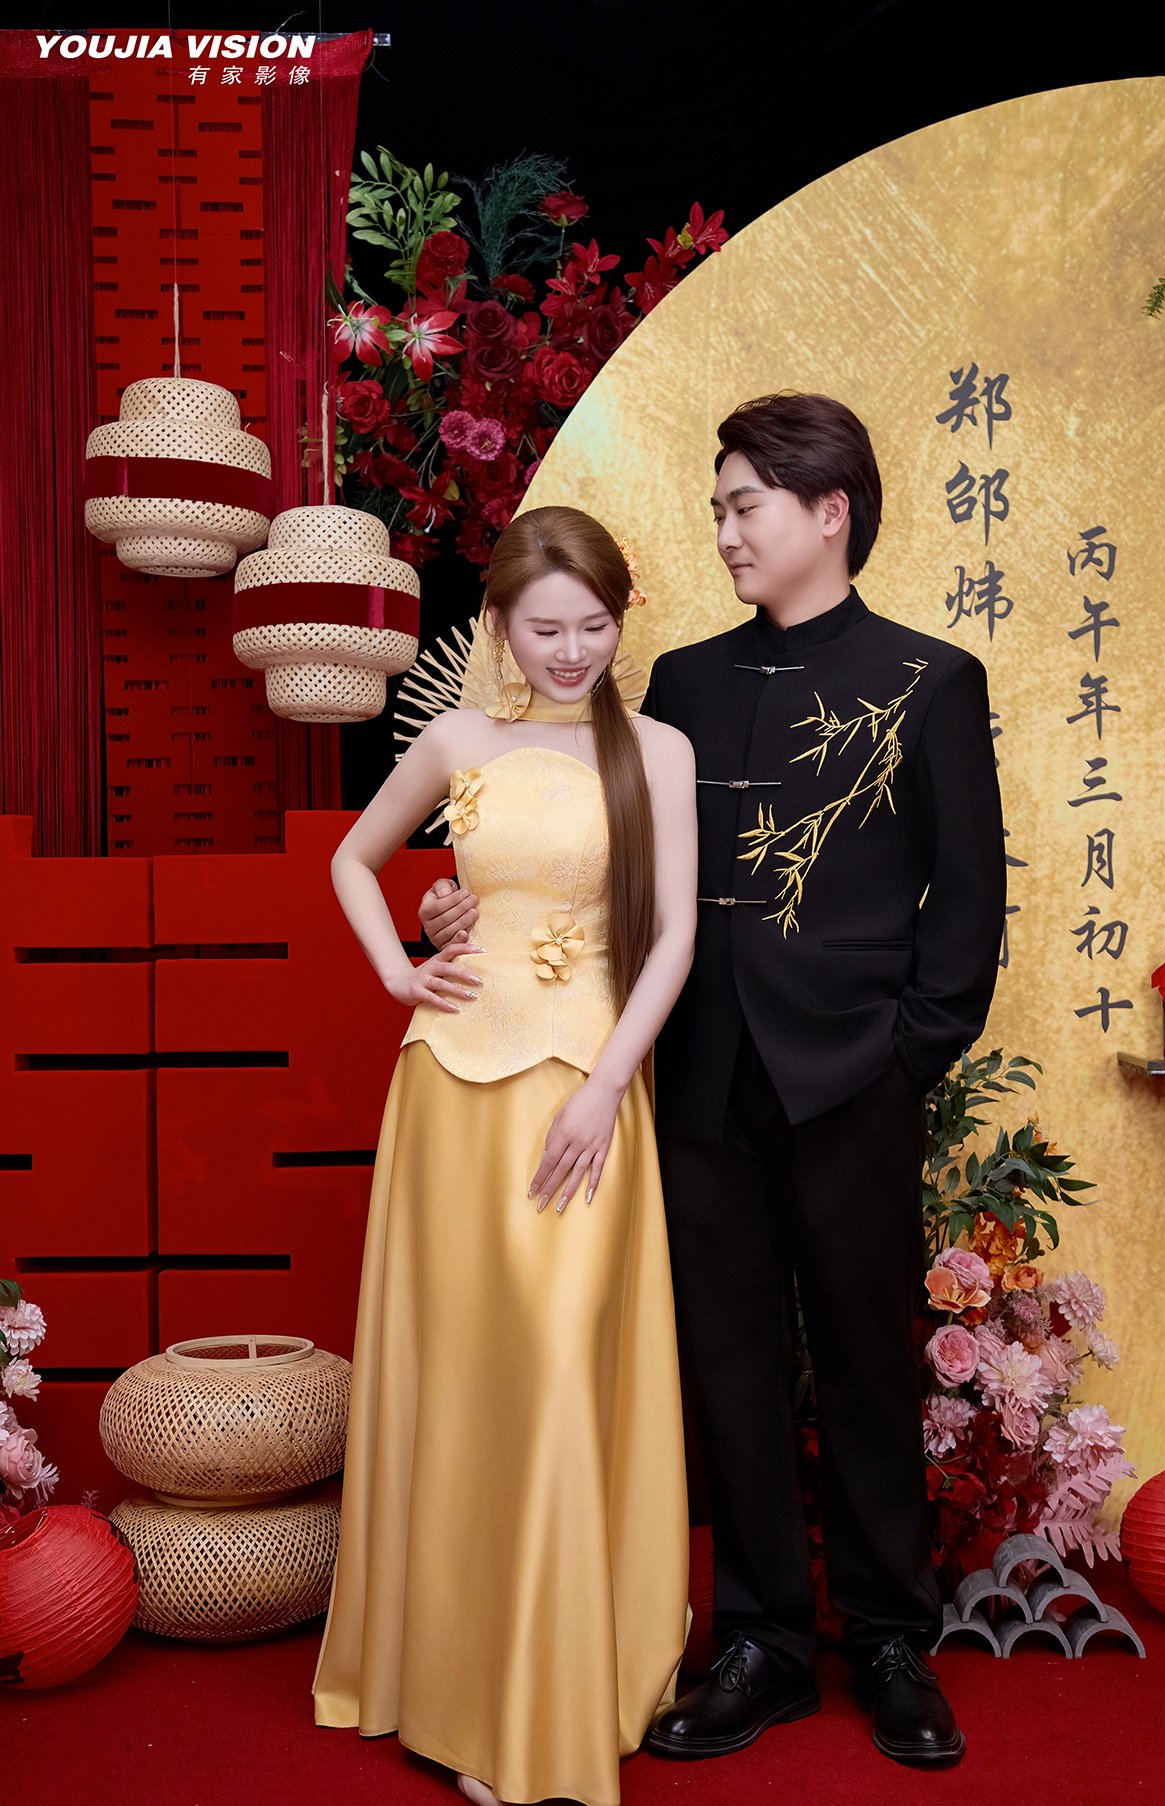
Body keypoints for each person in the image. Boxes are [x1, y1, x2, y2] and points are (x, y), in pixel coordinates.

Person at [419, 394, 1006, 1772]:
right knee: (727, 1365)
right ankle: (761, 1640)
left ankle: (890, 1639)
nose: (727, 531)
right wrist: (460, 914)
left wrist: (905, 1057)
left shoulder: (931, 679)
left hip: (853, 1080)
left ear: (829, 513)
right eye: (721, 507)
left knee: (867, 1360)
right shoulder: (680, 682)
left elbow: (969, 901)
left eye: (746, 505)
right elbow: (593, 860)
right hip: (693, 1074)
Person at [312, 504, 697, 1806]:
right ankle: (459, 1687)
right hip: (451, 1090)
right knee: (468, 1378)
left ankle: (542, 1704)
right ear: (499, 627)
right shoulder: (458, 740)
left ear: (619, 621)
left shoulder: (659, 751)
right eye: (545, 629)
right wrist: (400, 967)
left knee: (552, 1366)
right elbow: (354, 859)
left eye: (593, 626)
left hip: (582, 1089)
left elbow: (674, 939)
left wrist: (608, 1085)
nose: (571, 650)